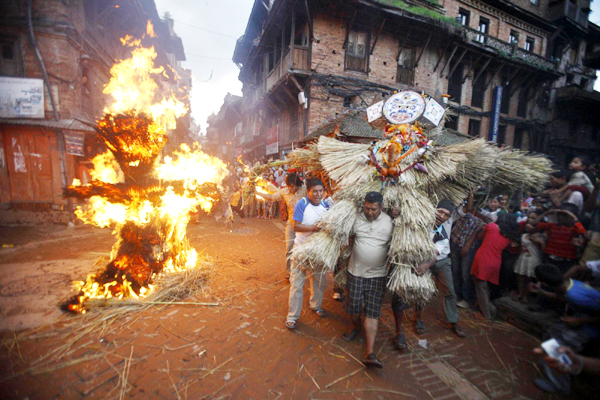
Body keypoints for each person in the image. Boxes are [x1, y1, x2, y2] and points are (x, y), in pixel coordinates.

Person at [394, 199, 467, 340]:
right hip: (421, 260)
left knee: (449, 290)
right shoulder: (419, 224)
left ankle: (453, 321)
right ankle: (418, 318)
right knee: (422, 291)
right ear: (433, 209)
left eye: (446, 215)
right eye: (440, 211)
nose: (442, 216)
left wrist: (426, 266)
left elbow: (434, 256)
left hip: (440, 261)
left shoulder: (443, 235)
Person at [341, 192, 394, 368]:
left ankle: (370, 352)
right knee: (354, 308)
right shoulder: (356, 219)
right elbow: (346, 237)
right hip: (355, 272)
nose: (370, 212)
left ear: (381, 207)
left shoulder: (390, 221)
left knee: (372, 311)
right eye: (367, 208)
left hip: (378, 275)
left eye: (374, 209)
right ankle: (356, 327)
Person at [285, 179, 330, 330]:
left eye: (321, 191)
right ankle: (292, 316)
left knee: (319, 280)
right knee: (296, 283)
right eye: (315, 191)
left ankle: (316, 305)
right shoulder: (302, 204)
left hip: (318, 251)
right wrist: (314, 228)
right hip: (301, 250)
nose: (318, 194)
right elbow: (295, 225)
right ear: (308, 192)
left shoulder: (326, 205)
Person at [471, 213, 520, 320]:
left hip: (483, 258)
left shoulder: (491, 227)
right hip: (496, 261)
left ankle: (487, 314)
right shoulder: (509, 236)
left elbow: (480, 237)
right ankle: (480, 307)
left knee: (480, 287)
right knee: (485, 287)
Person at [256, 173, 304, 278]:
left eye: (293, 186)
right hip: (291, 224)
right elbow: (271, 197)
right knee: (289, 248)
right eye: (289, 186)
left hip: (304, 226)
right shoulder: (284, 191)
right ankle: (290, 272)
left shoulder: (304, 190)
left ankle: (301, 271)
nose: (291, 188)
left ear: (298, 184)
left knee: (302, 249)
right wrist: (257, 193)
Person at [450, 192, 483, 309]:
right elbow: (467, 208)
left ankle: (466, 298)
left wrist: (468, 244)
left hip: (468, 249)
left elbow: (478, 232)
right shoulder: (463, 211)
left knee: (465, 274)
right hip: (455, 243)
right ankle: (456, 294)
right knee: (455, 270)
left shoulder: (482, 217)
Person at [535, 205, 586, 273]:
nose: (560, 217)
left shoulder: (574, 229)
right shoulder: (552, 225)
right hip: (550, 258)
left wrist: (574, 218)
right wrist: (545, 213)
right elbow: (535, 224)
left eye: (564, 215)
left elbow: (584, 234)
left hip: (566, 261)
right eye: (559, 214)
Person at [513, 212, 545, 303]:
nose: (530, 220)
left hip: (533, 259)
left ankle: (525, 296)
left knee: (529, 279)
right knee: (520, 277)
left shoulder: (540, 235)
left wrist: (540, 242)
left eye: (533, 218)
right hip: (523, 258)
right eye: (529, 218)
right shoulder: (523, 235)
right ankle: (520, 294)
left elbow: (543, 250)